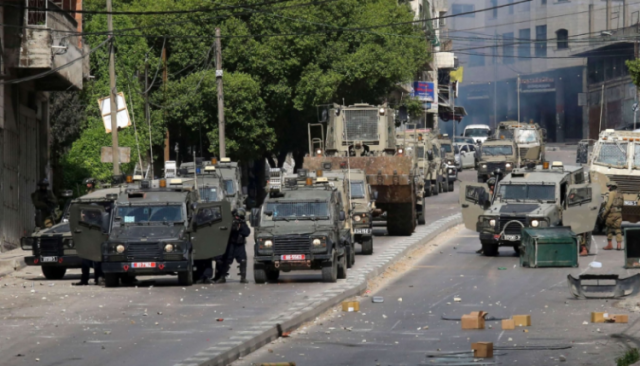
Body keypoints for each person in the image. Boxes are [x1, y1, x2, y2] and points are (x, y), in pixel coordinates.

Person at [215, 208, 250, 283]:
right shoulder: (230, 221)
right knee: (226, 260)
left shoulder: (242, 223)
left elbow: (247, 232)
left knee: (243, 260)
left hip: (239, 245)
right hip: (231, 244)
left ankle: (243, 277)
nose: (237, 217)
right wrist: (233, 225)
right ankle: (222, 276)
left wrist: (241, 226)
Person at [602, 181, 624, 251]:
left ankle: (609, 244)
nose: (608, 187)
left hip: (611, 214)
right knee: (618, 229)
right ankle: (619, 244)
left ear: (612, 187)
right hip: (619, 213)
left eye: (609, 186)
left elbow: (608, 205)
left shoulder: (611, 193)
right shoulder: (620, 194)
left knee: (609, 229)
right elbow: (622, 204)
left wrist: (604, 214)